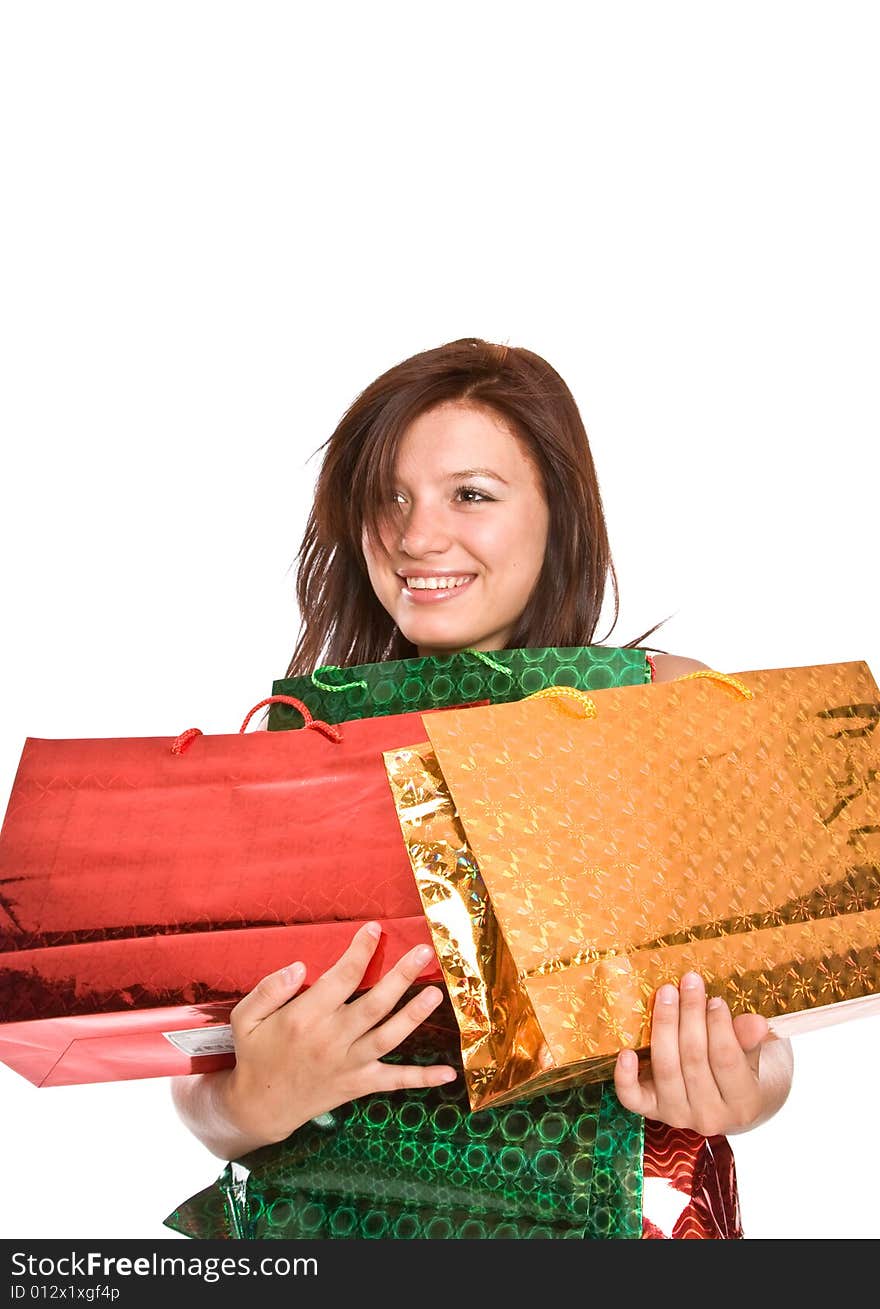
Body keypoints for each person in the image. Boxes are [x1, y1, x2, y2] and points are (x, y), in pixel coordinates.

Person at [170, 336, 794, 1237]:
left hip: (603, 1218)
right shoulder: (297, 742)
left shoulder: (667, 704)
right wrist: (253, 1102)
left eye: (470, 494)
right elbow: (202, 1086)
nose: (417, 535)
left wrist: (740, 1088)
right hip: (330, 1221)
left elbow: (770, 1028)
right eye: (391, 496)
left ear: (559, 512)